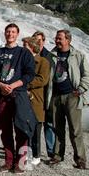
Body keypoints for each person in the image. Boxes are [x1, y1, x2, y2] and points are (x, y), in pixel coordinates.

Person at [0, 23, 36, 174]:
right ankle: (9, 161)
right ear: (5, 33)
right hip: (2, 96)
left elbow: (29, 74)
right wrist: (1, 85)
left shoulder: (24, 53)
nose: (10, 34)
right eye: (8, 31)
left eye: (13, 32)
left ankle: (21, 163)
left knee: (21, 129)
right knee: (6, 130)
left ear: (17, 34)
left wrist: (13, 85)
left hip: (19, 96)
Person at [47, 30, 89, 170]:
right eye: (56, 38)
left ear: (68, 40)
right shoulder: (51, 55)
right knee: (57, 128)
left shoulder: (78, 55)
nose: (57, 41)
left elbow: (87, 75)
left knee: (75, 129)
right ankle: (57, 156)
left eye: (60, 38)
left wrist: (79, 90)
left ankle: (80, 160)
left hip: (72, 96)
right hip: (56, 96)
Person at [22, 36, 50, 166]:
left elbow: (42, 79)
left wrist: (24, 83)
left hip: (36, 99)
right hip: (23, 98)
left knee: (36, 129)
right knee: (24, 127)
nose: (23, 48)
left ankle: (37, 155)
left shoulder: (43, 62)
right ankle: (26, 152)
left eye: (25, 46)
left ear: (32, 47)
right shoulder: (23, 61)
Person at [32, 30, 55, 158]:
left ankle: (51, 151)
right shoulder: (31, 55)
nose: (38, 43)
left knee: (49, 123)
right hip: (37, 95)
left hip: (49, 93)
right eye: (36, 40)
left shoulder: (49, 56)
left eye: (40, 40)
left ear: (44, 41)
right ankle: (35, 151)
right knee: (36, 123)